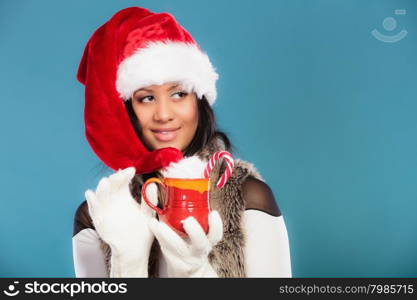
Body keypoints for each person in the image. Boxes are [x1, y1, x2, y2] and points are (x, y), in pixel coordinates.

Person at [72, 6, 292, 278]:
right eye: (146, 98)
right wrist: (128, 264)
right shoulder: (100, 216)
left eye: (178, 94)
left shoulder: (248, 197)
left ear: (199, 101)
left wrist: (196, 274)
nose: (164, 115)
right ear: (125, 109)